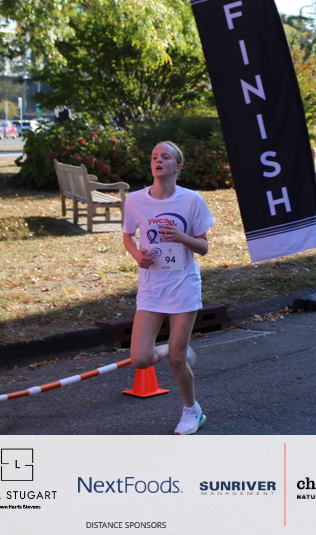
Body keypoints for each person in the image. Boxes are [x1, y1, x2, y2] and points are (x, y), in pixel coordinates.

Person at [122, 141, 215, 434]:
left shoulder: (192, 200)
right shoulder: (135, 200)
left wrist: (181, 236)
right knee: (140, 359)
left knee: (176, 360)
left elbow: (203, 247)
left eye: (165, 157)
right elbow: (128, 235)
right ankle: (177, 350)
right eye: (154, 157)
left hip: (183, 284)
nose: (158, 160)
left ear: (178, 166)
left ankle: (191, 411)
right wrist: (136, 255)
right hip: (152, 286)